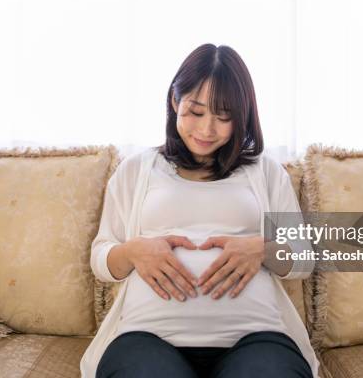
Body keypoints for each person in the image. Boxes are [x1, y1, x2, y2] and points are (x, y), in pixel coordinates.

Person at [79, 44, 319, 378]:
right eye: (195, 111)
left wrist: (262, 249)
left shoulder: (265, 172)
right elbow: (101, 259)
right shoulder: (137, 170)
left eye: (224, 117)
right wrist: (133, 251)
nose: (207, 129)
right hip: (146, 340)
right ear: (175, 102)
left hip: (257, 340)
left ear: (242, 116)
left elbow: (303, 258)